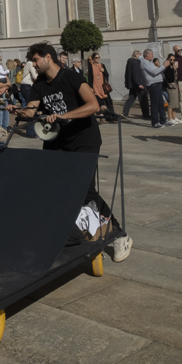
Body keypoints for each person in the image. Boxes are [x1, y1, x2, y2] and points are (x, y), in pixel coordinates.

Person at [20, 43, 131, 262]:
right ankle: (72, 234)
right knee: (55, 189)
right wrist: (18, 111)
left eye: (35, 60)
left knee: (84, 190)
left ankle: (119, 235)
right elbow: (29, 111)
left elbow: (92, 105)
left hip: (84, 140)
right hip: (56, 141)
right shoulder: (40, 85)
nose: (33, 64)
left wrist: (62, 116)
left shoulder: (71, 77)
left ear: (48, 58)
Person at [140, 49, 167, 128]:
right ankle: (155, 122)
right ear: (147, 55)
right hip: (153, 85)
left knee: (161, 103)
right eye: (151, 54)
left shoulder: (150, 63)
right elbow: (154, 72)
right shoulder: (144, 63)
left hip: (158, 84)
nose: (153, 55)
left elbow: (156, 70)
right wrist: (163, 66)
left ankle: (163, 121)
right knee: (155, 104)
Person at [122, 51, 147, 119]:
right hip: (137, 84)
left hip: (132, 84)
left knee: (131, 98)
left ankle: (125, 112)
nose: (140, 56)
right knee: (143, 99)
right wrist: (139, 83)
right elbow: (136, 74)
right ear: (136, 55)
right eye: (139, 54)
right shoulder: (136, 63)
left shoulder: (130, 62)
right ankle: (146, 114)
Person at [163, 54, 181, 125]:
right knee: (171, 103)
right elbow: (169, 77)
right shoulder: (167, 67)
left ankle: (174, 117)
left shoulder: (172, 67)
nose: (172, 61)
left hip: (175, 85)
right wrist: (173, 70)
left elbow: (176, 77)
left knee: (175, 103)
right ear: (168, 60)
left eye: (174, 60)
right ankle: (169, 118)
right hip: (170, 86)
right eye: (171, 59)